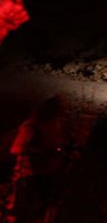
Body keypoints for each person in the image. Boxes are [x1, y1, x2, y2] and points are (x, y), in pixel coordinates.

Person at [10, 95, 67, 223]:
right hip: (29, 174)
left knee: (43, 209)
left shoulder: (53, 125)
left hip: (47, 173)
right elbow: (16, 148)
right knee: (25, 210)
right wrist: (42, 152)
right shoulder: (31, 126)